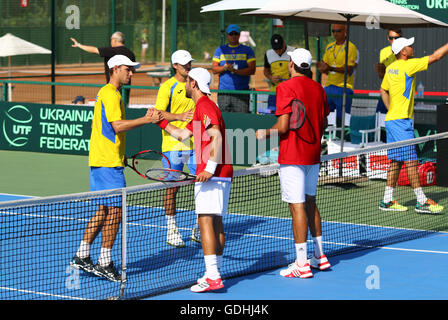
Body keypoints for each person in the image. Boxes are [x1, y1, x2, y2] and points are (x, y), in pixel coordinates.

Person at [70, 55, 162, 282]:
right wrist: (146, 119)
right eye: (128, 70)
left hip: (104, 159)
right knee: (116, 211)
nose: (131, 74)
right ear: (116, 69)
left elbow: (102, 128)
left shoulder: (107, 93)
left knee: (103, 210)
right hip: (107, 163)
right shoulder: (111, 94)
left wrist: (118, 154)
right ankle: (104, 262)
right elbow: (116, 126)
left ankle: (82, 255)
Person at [256, 48, 331, 279]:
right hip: (313, 155)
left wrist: (264, 133)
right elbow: (324, 120)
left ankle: (301, 263)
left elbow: (283, 126)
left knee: (296, 206)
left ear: (291, 64)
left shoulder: (285, 88)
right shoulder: (319, 88)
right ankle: (319, 256)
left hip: (292, 156)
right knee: (310, 202)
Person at [157, 67, 233, 292]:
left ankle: (211, 276)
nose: (186, 83)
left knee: (205, 221)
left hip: (213, 173)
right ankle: (215, 273)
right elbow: (182, 135)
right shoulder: (201, 108)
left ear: (194, 84)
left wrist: (209, 168)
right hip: (221, 173)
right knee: (216, 221)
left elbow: (216, 135)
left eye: (189, 80)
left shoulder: (205, 106)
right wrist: (160, 121)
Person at [380, 37, 448, 214]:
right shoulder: (408, 65)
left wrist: (391, 109)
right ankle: (421, 201)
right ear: (403, 51)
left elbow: (383, 89)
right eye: (409, 46)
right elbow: (436, 57)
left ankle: (387, 199)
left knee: (396, 161)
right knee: (411, 161)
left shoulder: (390, 68)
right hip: (401, 122)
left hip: (392, 120)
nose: (412, 47)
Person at [154, 50, 197, 248]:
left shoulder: (194, 83)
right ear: (175, 66)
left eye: (189, 63)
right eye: (184, 64)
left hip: (196, 143)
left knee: (201, 184)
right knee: (172, 188)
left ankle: (198, 227)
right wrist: (179, 117)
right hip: (173, 144)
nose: (188, 66)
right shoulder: (167, 87)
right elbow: (157, 114)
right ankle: (172, 230)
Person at [70, 31, 136, 104]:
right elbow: (133, 70)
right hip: (126, 88)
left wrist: (79, 45)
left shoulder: (111, 50)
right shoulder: (130, 53)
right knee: (123, 109)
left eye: (111, 39)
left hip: (114, 87)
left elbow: (94, 50)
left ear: (114, 40)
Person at [316, 24, 358, 127]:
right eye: (333, 31)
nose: (335, 33)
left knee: (342, 120)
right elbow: (324, 66)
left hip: (344, 87)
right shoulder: (329, 46)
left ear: (345, 32)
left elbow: (349, 69)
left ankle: (342, 140)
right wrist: (322, 68)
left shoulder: (351, 47)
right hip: (329, 86)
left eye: (338, 31)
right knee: (324, 116)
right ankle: (326, 138)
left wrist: (330, 68)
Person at [212, 24, 256, 113]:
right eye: (231, 34)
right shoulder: (220, 49)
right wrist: (225, 68)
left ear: (239, 35)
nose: (233, 36)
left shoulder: (247, 50)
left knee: (241, 121)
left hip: (242, 92)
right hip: (224, 92)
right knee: (224, 121)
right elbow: (214, 69)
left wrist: (236, 71)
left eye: (235, 34)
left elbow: (252, 70)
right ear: (227, 35)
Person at [374, 28, 403, 114]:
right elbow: (381, 75)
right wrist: (381, 70)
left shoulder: (405, 51)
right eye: (391, 38)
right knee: (379, 116)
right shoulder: (383, 51)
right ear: (388, 38)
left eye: (396, 38)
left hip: (399, 91)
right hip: (386, 90)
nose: (394, 40)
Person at [263, 34, 295, 112]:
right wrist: (271, 77)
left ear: (284, 43)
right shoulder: (268, 54)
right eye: (275, 49)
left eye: (280, 48)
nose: (278, 51)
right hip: (274, 92)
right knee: (271, 116)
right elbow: (266, 70)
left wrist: (290, 80)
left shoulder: (293, 51)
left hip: (290, 92)